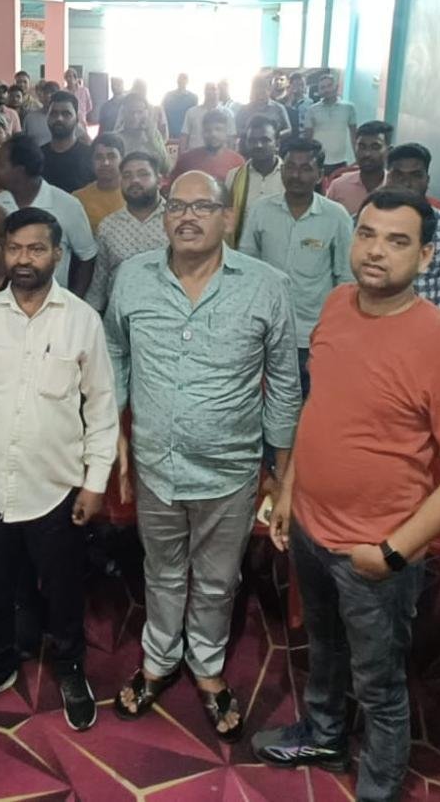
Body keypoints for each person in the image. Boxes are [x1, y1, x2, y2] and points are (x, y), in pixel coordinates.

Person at [254, 188, 440, 798]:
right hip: (311, 527)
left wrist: (391, 553)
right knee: (324, 649)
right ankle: (325, 736)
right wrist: (290, 490)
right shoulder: (336, 305)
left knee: (379, 682)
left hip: (375, 552)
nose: (376, 251)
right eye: (367, 234)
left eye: (397, 240)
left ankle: (379, 786)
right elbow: (318, 409)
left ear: (427, 256)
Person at [106, 171, 302, 741]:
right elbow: (114, 349)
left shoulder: (266, 286)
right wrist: (117, 430)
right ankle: (159, 659)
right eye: (176, 206)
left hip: (230, 468)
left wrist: (281, 472)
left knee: (217, 580)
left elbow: (284, 383)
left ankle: (208, 666)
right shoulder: (133, 277)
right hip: (156, 463)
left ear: (227, 217)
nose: (186, 217)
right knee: (162, 570)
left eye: (202, 206)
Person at [0, 207, 117, 730]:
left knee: (63, 590)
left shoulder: (81, 320)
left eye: (36, 249)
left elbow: (102, 408)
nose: (23, 259)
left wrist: (95, 483)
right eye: (15, 248)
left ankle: (70, 668)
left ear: (57, 254)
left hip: (57, 488)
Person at [239, 138, 354, 395]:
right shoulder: (261, 210)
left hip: (312, 333)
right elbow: (246, 267)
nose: (296, 175)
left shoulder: (336, 216)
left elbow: (346, 279)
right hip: (265, 329)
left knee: (310, 401)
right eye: (290, 167)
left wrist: (337, 329)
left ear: (319, 175)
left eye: (305, 169)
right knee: (265, 399)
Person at [382, 143, 440, 332]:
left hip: (429, 332)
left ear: (427, 180)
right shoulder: (366, 224)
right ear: (388, 178)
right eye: (399, 175)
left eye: (416, 175)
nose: (406, 183)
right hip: (376, 329)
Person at [0, 134, 97, 297]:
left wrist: (74, 299)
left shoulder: (67, 205)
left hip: (54, 304)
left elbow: (87, 257)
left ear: (19, 171)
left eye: (0, 164)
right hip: (6, 303)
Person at [86, 150, 166, 314]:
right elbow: (99, 282)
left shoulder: (177, 220)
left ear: (159, 180)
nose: (134, 180)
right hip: (119, 317)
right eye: (127, 176)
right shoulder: (108, 226)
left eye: (143, 174)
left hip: (168, 316)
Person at [224, 117, 284, 246]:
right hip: (242, 249)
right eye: (252, 141)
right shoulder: (234, 176)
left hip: (281, 248)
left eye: (265, 140)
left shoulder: (289, 177)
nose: (258, 145)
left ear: (277, 144)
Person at [326, 120, 393, 215]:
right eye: (362, 147)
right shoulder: (338, 187)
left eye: (375, 147)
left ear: (388, 151)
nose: (367, 154)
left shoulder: (396, 188)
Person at [41, 91, 96, 193]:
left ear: (77, 119)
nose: (59, 119)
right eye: (54, 113)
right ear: (47, 117)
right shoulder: (37, 157)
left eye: (66, 114)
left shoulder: (91, 157)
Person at [305, 72, 358, 173]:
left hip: (341, 160)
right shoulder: (312, 110)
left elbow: (354, 136)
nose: (326, 90)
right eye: (322, 87)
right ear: (319, 91)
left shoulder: (349, 108)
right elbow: (308, 139)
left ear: (336, 87)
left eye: (329, 86)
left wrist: (358, 159)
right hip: (318, 161)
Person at [170, 109, 242, 184]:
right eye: (208, 130)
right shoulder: (186, 160)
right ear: (202, 133)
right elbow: (172, 186)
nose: (213, 134)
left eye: (218, 129)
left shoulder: (237, 162)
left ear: (226, 132)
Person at [73, 133, 125, 233]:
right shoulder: (78, 199)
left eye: (111, 156)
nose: (105, 163)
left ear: (122, 160)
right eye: (99, 157)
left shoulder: (135, 194)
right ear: (91, 162)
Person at [113, 93, 168, 170]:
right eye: (131, 112)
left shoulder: (154, 135)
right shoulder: (116, 138)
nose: (135, 116)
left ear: (146, 113)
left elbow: (166, 167)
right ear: (123, 113)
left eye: (140, 112)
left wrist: (151, 138)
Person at [179, 83, 236, 155]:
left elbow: (231, 138)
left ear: (219, 92)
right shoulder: (191, 112)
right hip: (194, 156)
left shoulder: (228, 114)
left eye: (214, 89)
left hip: (219, 157)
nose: (211, 92)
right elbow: (184, 136)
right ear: (204, 92)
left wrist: (230, 157)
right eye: (208, 89)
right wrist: (182, 156)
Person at [23, 80, 60, 145]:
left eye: (52, 92)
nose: (48, 95)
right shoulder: (30, 118)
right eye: (46, 92)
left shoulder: (63, 119)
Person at [281, 72, 314, 136]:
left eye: (301, 85)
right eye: (295, 84)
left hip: (304, 136)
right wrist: (289, 100)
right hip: (288, 137)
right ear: (290, 85)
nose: (299, 87)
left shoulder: (310, 103)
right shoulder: (283, 102)